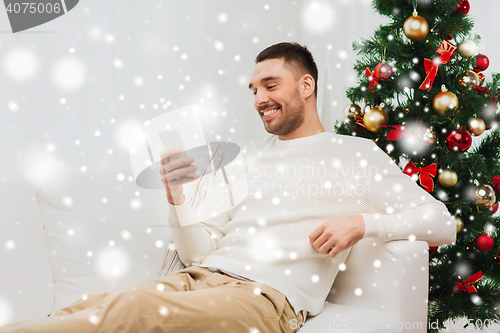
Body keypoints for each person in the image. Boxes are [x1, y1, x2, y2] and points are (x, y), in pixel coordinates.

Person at [0, 42, 456, 333]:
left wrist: (363, 223)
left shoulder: (354, 154)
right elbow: (199, 253)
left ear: (307, 84)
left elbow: (443, 223)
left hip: (266, 299)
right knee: (100, 304)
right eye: (253, 89)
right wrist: (179, 199)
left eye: (270, 85)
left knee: (130, 315)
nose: (259, 99)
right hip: (198, 279)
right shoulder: (247, 156)